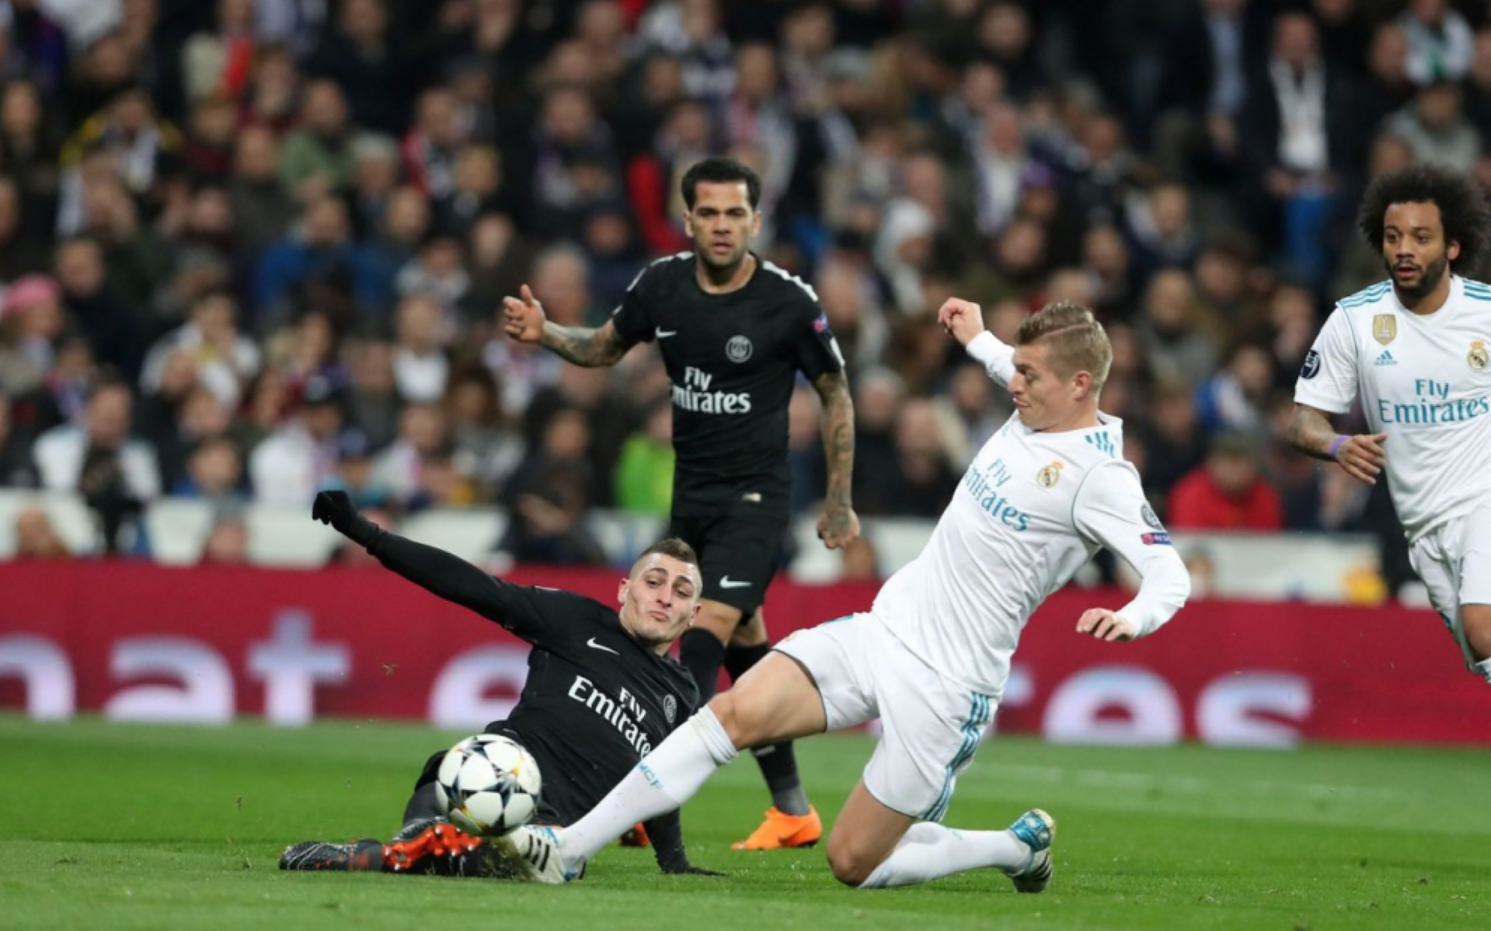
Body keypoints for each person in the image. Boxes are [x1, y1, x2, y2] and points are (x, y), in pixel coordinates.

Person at [488, 299, 1191, 888]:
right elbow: (1006, 360)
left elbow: (1169, 573)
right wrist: (977, 335)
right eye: (1019, 368)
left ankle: (1014, 847)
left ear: (1079, 384)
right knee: (732, 711)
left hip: (948, 685)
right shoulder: (1038, 401)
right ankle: (570, 847)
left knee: (854, 861)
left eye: (1030, 374)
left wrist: (1136, 614)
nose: (1015, 382)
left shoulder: (1100, 478)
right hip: (883, 630)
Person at [501, 155, 859, 850]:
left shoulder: (788, 300)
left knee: (698, 636)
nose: (723, 226)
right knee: (747, 644)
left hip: (757, 497)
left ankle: (639, 796)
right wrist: (546, 333)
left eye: (736, 214)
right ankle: (793, 810)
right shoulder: (661, 285)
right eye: (710, 213)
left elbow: (835, 391)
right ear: (687, 218)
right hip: (691, 492)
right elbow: (604, 348)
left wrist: (839, 497)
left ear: (755, 220)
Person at [279, 490, 718, 877]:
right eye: (654, 582)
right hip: (495, 773)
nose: (665, 597)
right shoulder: (572, 618)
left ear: (693, 615)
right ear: (624, 590)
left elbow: (662, 776)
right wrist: (365, 533)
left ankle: (401, 853)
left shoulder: (681, 695)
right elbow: (471, 585)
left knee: (540, 860)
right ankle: (417, 841)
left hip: (557, 830)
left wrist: (674, 861)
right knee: (460, 776)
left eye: (681, 592)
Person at [1288, 163, 1491, 685]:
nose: (1404, 249)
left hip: (1483, 501)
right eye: (1393, 236)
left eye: (1421, 238)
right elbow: (1304, 419)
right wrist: (1337, 445)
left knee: (1484, 629)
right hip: (1422, 528)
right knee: (1483, 657)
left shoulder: (1485, 315)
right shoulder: (1354, 321)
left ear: (1452, 246)